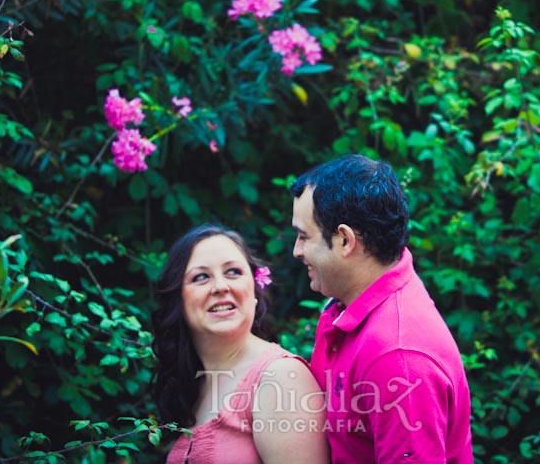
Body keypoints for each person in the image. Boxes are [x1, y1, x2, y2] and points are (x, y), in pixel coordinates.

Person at [290, 154, 474, 464]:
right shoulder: (349, 306)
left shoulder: (398, 356)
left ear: (346, 241)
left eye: (304, 236)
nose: (296, 251)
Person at [152, 224, 328, 464]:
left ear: (254, 289)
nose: (221, 287)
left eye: (233, 272)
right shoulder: (194, 384)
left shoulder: (280, 377)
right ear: (178, 299)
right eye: (201, 277)